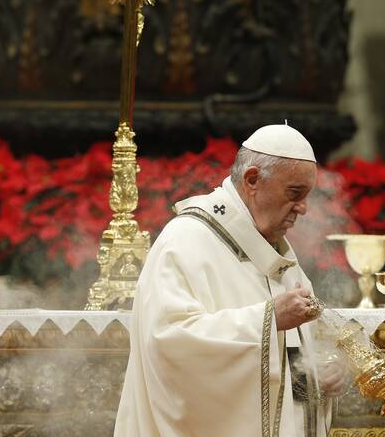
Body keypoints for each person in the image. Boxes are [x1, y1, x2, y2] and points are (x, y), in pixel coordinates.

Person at [114, 124, 343, 437]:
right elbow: (167, 344)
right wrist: (268, 318)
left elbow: (286, 368)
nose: (303, 208)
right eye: (294, 194)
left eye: (306, 196)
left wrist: (314, 378)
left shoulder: (278, 255)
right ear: (252, 180)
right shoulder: (186, 241)